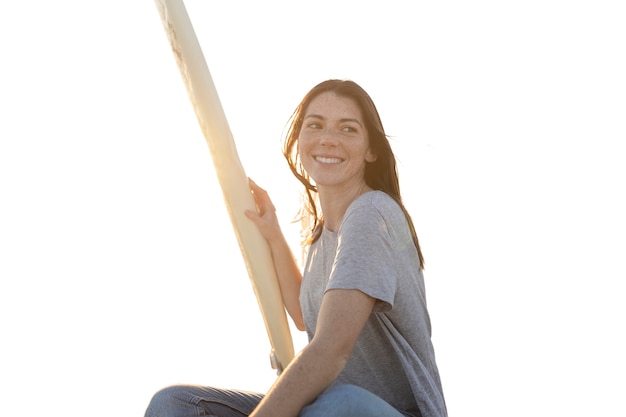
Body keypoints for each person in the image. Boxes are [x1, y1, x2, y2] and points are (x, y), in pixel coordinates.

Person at [144, 79, 447, 417]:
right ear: (299, 140)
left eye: (348, 129)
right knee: (175, 406)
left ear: (370, 151)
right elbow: (307, 317)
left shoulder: (370, 214)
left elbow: (331, 348)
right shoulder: (323, 234)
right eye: (315, 125)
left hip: (389, 412)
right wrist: (273, 235)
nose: (328, 139)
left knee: (339, 402)